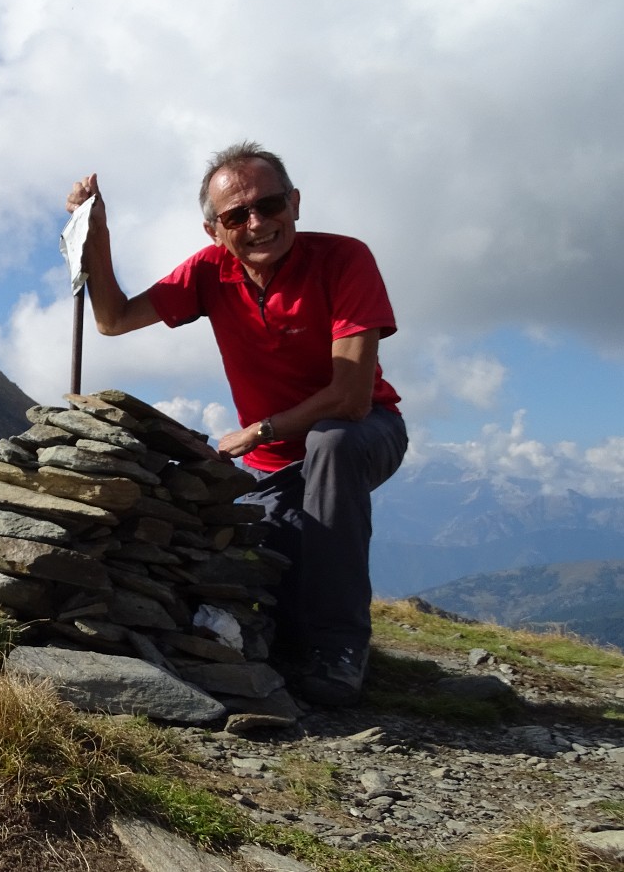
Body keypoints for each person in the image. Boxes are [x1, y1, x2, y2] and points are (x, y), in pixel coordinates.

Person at [65, 142, 408, 706]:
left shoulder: (345, 259)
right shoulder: (209, 273)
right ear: (213, 230)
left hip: (366, 431)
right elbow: (113, 318)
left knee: (330, 443)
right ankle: (305, 635)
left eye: (270, 205)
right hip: (274, 468)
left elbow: (349, 398)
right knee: (273, 579)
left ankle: (342, 649)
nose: (258, 223)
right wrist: (96, 229)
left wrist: (259, 431)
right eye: (236, 216)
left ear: (294, 203)